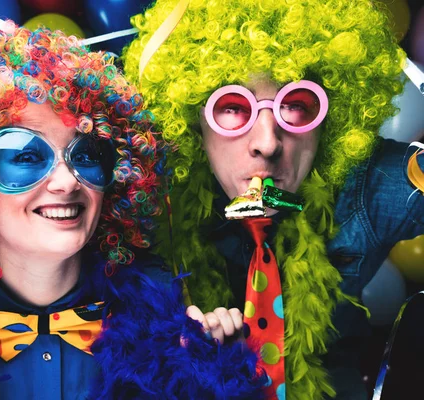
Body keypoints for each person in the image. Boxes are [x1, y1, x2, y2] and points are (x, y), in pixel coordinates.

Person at [0, 23, 264, 399]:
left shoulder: (173, 336)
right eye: (25, 156)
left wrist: (217, 375)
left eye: (87, 152)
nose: (68, 180)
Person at [123, 0, 424, 399]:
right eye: (232, 108)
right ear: (193, 117)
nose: (267, 143)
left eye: (296, 106)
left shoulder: (368, 186)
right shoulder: (148, 204)